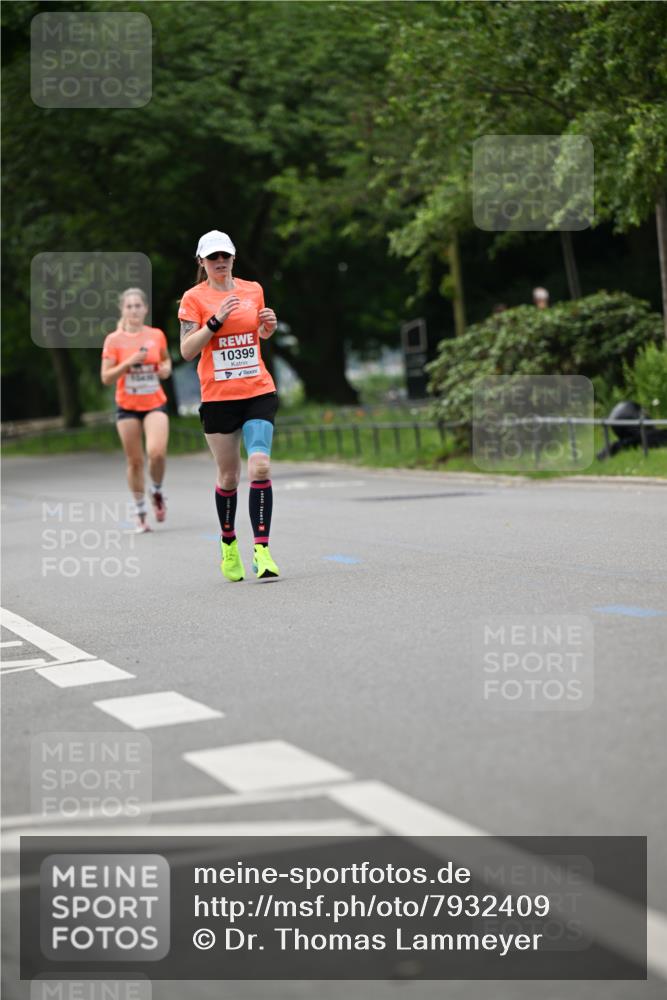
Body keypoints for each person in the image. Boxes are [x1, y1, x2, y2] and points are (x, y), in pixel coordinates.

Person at [178, 230, 280, 581]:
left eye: (225, 256)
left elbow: (258, 335)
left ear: (233, 258)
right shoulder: (193, 299)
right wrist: (215, 320)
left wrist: (268, 328)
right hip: (219, 398)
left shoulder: (253, 290)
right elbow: (188, 350)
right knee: (229, 476)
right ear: (201, 262)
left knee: (261, 465)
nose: (219, 262)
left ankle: (262, 550)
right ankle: (229, 544)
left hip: (257, 390)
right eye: (212, 258)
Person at [101, 288, 171, 532]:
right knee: (135, 462)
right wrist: (128, 363)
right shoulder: (113, 340)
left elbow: (165, 360)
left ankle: (158, 491)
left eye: (137, 305)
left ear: (145, 309)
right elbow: (106, 377)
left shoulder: (156, 335)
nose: (133, 310)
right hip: (127, 407)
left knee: (157, 453)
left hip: (154, 403)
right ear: (123, 310)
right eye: (128, 306)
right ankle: (140, 509)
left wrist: (165, 369)